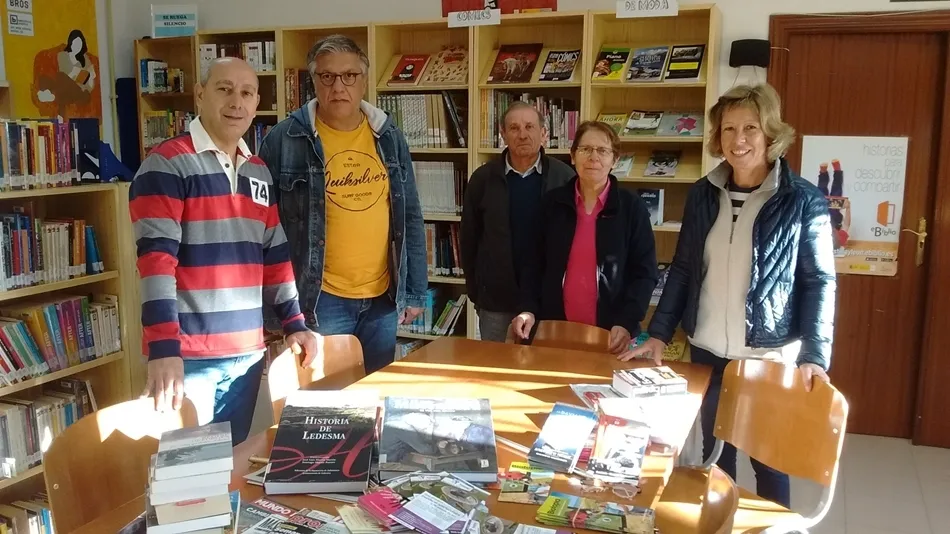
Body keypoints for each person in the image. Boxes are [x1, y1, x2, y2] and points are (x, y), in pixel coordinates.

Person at [622, 83, 837, 508]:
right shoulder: (703, 194)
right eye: (728, 129)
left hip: (767, 355)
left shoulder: (803, 200)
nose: (738, 141)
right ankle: (720, 521)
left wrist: (815, 354)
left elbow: (819, 281)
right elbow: (683, 270)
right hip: (708, 351)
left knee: (769, 460)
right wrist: (658, 336)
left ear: (771, 134)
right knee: (718, 455)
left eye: (750, 129)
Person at [129, 57, 320, 446]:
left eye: (247, 93)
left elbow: (275, 255)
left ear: (256, 103)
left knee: (232, 468)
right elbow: (156, 265)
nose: (237, 101)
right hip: (188, 359)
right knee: (187, 483)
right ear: (200, 94)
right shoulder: (166, 165)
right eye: (224, 89)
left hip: (247, 356)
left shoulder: (258, 170)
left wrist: (294, 324)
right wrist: (164, 349)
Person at [258, 35, 426, 374]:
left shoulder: (389, 136)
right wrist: (271, 308)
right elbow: (263, 228)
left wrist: (416, 291)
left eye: (349, 75)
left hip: (383, 297)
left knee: (375, 395)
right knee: (326, 407)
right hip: (319, 299)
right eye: (327, 76)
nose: (339, 86)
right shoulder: (284, 139)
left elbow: (409, 215)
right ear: (314, 82)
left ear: (363, 81)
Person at [511, 120, 658, 353]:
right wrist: (527, 308)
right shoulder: (552, 204)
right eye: (585, 149)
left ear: (615, 160)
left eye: (602, 150)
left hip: (612, 335)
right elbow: (532, 265)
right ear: (572, 156)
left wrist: (627, 321)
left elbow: (645, 273)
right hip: (554, 331)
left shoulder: (632, 209)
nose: (593, 157)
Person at [460, 101, 574, 342]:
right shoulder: (483, 179)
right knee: (496, 371)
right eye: (514, 128)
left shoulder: (565, 179)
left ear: (543, 133)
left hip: (550, 301)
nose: (522, 134)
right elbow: (469, 239)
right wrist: (477, 291)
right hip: (496, 302)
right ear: (503, 134)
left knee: (546, 370)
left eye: (529, 127)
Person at [35, 29, 97, 116]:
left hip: (81, 91)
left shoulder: (86, 60)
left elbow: (90, 84)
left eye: (79, 43)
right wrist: (77, 73)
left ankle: (51, 95)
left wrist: (85, 77)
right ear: (70, 43)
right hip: (66, 85)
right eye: (75, 43)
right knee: (50, 78)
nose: (77, 46)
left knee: (62, 78)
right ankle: (48, 93)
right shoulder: (62, 55)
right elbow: (67, 74)